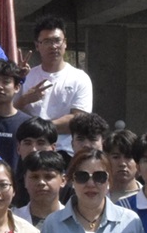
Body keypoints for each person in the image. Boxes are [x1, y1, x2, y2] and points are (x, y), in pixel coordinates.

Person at [14, 16, 93, 152]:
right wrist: (25, 99)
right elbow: (10, 112)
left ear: (65, 43)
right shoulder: (26, 76)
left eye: (57, 40)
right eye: (47, 41)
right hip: (31, 151)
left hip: (66, 151)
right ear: (37, 45)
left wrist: (38, 128)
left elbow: (79, 121)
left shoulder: (80, 78)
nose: (53, 46)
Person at [14, 148, 68, 225]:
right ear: (25, 180)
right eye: (35, 177)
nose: (41, 182)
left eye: (48, 176)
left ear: (63, 180)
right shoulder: (13, 219)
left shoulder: (74, 220)